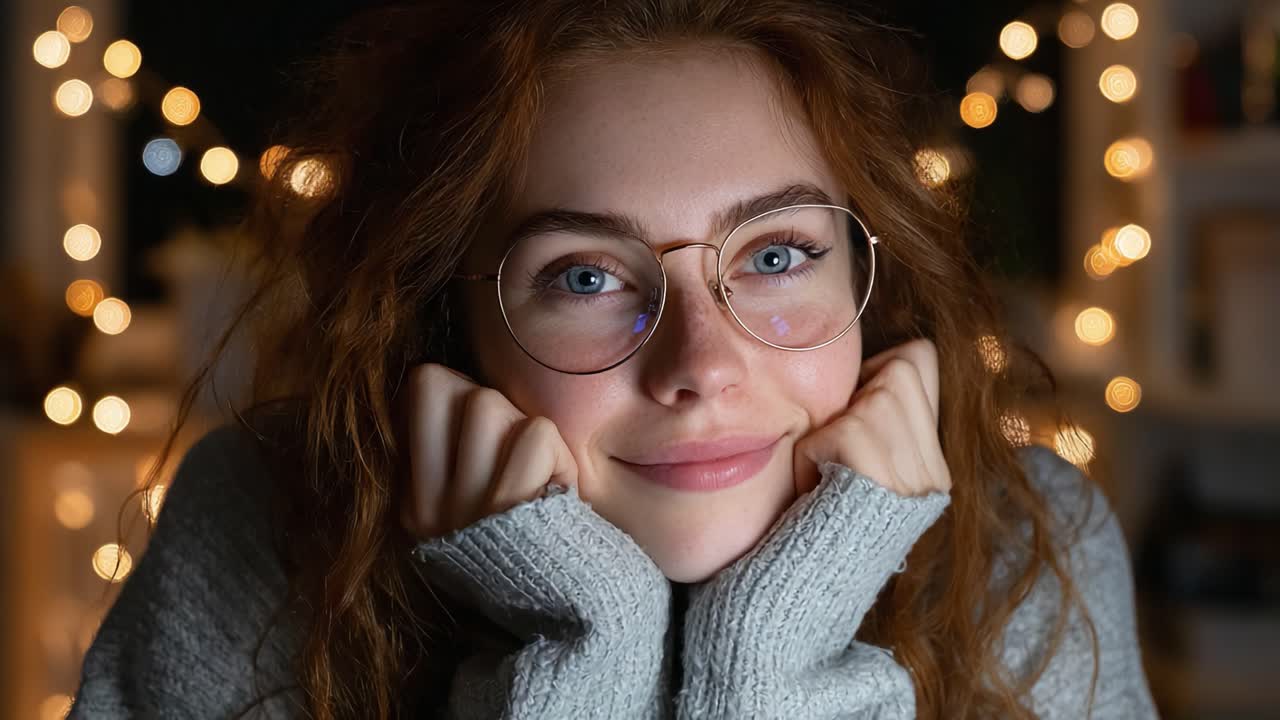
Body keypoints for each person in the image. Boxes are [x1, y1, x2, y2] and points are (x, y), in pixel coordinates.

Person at [69, 1, 1159, 718]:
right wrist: (579, 649)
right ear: (444, 321)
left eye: (776, 254)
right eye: (586, 276)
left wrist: (775, 655)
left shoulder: (1028, 547)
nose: (700, 365)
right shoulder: (258, 528)